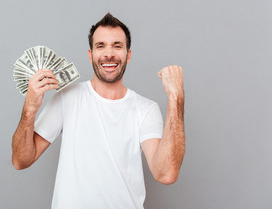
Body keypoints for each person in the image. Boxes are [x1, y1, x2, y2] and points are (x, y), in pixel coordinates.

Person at [12, 13, 185, 208]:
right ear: (90, 54)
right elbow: (21, 161)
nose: (108, 54)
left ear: (128, 55)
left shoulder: (145, 109)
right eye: (100, 46)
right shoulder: (66, 98)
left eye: (117, 46)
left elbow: (166, 173)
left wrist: (175, 98)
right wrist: (30, 109)